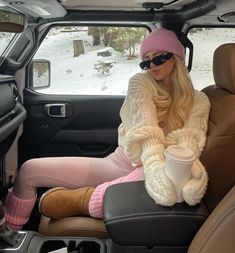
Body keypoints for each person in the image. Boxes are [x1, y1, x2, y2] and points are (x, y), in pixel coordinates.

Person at [3, 28, 210, 230]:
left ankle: (89, 199)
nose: (152, 65)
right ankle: (10, 232)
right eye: (146, 61)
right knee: (29, 170)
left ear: (177, 58)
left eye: (159, 58)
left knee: (174, 176)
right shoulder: (141, 83)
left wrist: (160, 168)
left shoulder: (199, 100)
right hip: (122, 163)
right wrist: (157, 164)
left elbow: (190, 142)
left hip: (160, 171)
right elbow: (145, 130)